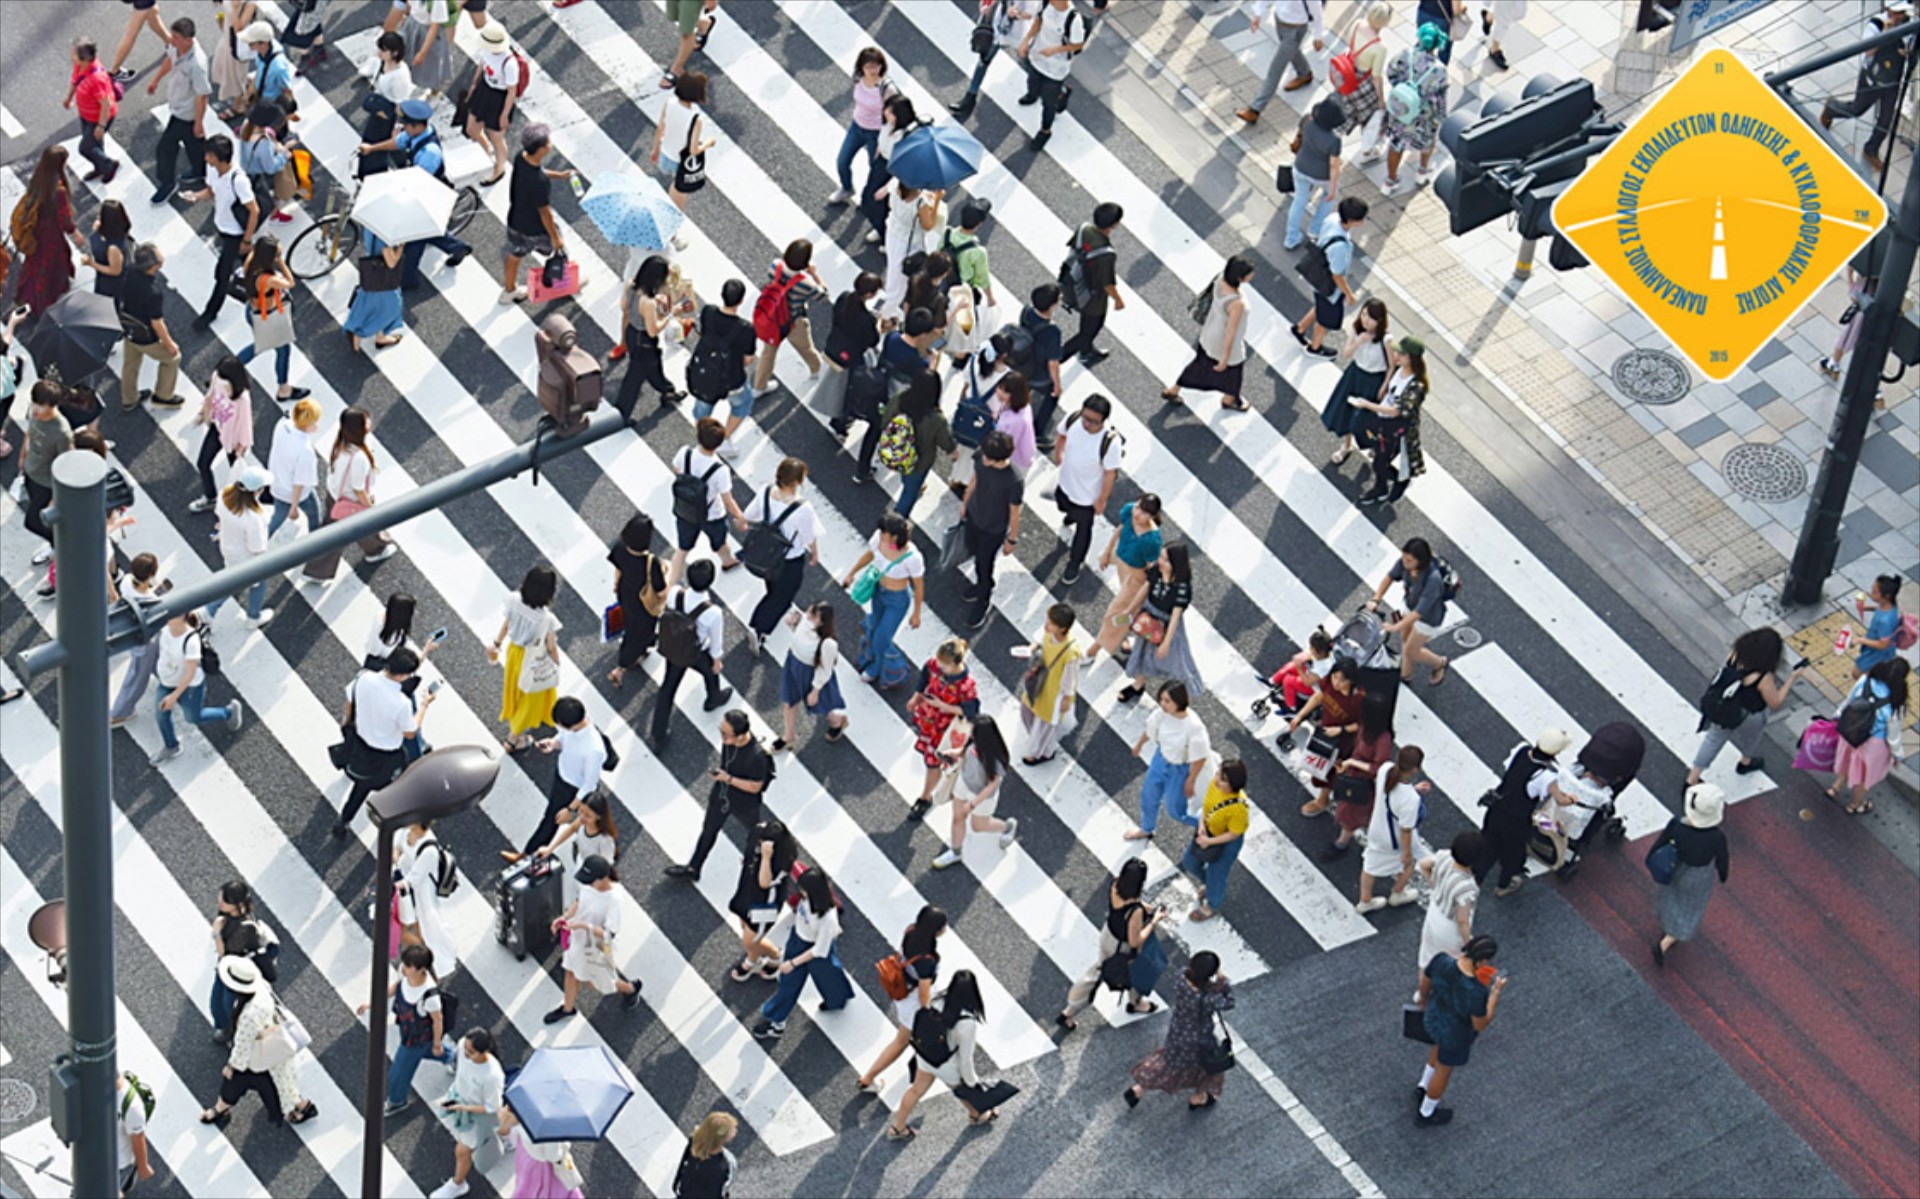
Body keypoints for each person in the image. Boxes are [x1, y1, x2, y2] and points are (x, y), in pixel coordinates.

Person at [885, 970, 1006, 1140]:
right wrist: (974, 1083)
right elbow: (965, 1061)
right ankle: (977, 1114)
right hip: (946, 1064)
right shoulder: (967, 1023)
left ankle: (897, 1127)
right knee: (962, 1089)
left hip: (926, 1055)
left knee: (915, 1091)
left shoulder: (936, 1000)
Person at [198, 955, 317, 1127]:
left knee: (235, 1081)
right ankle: (302, 1106)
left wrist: (231, 1066)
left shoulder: (248, 1015)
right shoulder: (261, 988)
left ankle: (220, 1109)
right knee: (282, 1079)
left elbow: (242, 1046)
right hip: (273, 1043)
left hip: (258, 1051)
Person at [368, 101, 474, 285]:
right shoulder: (414, 135)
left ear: (417, 126)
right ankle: (457, 247)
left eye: (406, 126)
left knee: (413, 237)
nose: (403, 129)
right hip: (419, 189)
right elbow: (397, 143)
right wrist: (372, 148)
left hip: (427, 195)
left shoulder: (429, 153)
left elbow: (418, 182)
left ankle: (407, 280)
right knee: (425, 231)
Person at [1689, 627, 1807, 785]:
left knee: (1713, 740)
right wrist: (1792, 678)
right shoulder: (1763, 677)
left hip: (1724, 706)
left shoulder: (1734, 656)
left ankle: (1692, 779)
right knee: (1752, 737)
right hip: (1749, 715)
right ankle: (1745, 762)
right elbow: (1775, 702)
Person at [334, 649, 432, 835]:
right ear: (403, 675)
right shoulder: (401, 703)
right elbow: (410, 733)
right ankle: (391, 820)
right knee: (395, 785)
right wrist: (424, 705)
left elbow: (349, 701)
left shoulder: (364, 678)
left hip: (359, 743)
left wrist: (347, 722)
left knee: (360, 789)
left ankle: (343, 821)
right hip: (385, 756)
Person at [667, 711, 773, 882]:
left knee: (755, 830)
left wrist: (728, 779)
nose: (722, 737)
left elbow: (755, 787)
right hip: (722, 794)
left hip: (744, 802)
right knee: (709, 829)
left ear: (740, 736)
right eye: (721, 730)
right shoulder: (730, 741)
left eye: (725, 734)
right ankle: (694, 867)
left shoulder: (757, 757)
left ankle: (772, 855)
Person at [1059, 859, 1166, 1027]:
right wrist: (1154, 921)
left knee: (1099, 971)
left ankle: (1069, 1010)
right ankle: (1136, 1003)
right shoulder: (1135, 911)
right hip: (1122, 947)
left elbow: (1131, 902)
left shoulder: (1116, 885)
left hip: (1108, 934)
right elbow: (1135, 941)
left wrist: (1146, 908)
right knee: (1135, 971)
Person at [1414, 934, 1505, 1125]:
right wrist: (1495, 994)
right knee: (1443, 1071)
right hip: (1455, 1035)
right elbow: (1480, 1024)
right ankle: (1426, 1112)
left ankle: (1423, 1085)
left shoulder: (1441, 960)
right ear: (1483, 961)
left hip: (1434, 1017)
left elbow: (1425, 983)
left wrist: (1423, 999)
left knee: (1436, 1047)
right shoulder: (1476, 991)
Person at [352, 943, 454, 1116]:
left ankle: (397, 1100)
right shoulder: (406, 973)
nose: (404, 968)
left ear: (422, 969)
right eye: (404, 964)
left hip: (416, 1039)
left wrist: (437, 1043)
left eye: (408, 966)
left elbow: (438, 1020)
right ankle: (452, 1057)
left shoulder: (430, 996)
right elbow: (397, 986)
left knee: (398, 1073)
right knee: (426, 1050)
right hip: (408, 1029)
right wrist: (373, 1002)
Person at [1124, 951, 1234, 1110]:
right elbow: (1229, 1002)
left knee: (1170, 1061)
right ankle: (1199, 1097)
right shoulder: (1207, 998)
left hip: (1177, 1030)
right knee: (1209, 1067)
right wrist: (1222, 980)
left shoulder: (1181, 977)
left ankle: (1139, 1088)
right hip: (1199, 1039)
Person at [855, 907, 949, 1092]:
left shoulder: (911, 931)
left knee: (905, 1039)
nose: (946, 929)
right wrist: (926, 1014)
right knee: (901, 1041)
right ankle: (868, 1078)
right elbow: (923, 994)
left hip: (904, 990)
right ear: (935, 930)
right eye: (943, 926)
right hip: (913, 1000)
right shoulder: (926, 961)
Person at [753, 869, 853, 1039]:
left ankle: (836, 999)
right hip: (799, 939)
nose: (800, 892)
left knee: (822, 977)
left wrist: (793, 963)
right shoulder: (810, 900)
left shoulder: (826, 917)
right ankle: (777, 1021)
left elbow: (819, 950)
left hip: (812, 947)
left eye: (803, 889)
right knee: (794, 983)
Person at [301, 407, 398, 583]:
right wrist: (369, 507)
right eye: (366, 420)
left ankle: (376, 549)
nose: (370, 422)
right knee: (341, 534)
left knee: (354, 529)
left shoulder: (342, 442)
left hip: (336, 495)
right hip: (352, 500)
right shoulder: (359, 458)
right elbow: (358, 488)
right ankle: (316, 571)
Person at [547, 854, 644, 1022]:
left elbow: (609, 934)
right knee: (571, 970)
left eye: (590, 881)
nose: (587, 884)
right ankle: (567, 1008)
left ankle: (630, 989)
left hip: (597, 946)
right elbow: (578, 902)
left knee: (600, 982)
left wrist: (583, 926)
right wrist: (565, 917)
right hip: (578, 938)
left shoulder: (614, 899)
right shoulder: (588, 885)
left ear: (602, 878)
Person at [1475, 728, 1571, 896]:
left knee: (1488, 844)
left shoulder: (1522, 750)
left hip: (1497, 808)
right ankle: (1504, 885)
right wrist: (1573, 798)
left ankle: (1473, 880)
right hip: (1516, 820)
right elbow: (1561, 800)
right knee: (1513, 852)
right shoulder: (1546, 776)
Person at [1819, 1, 1912, 174]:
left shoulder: (1908, 23)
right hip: (1872, 79)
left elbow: (1908, 46)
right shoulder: (1876, 25)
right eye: (1899, 13)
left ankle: (1871, 149)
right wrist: (1885, 33)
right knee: (1857, 109)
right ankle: (1831, 108)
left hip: (1892, 80)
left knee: (1885, 120)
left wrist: (1906, 51)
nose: (1902, 16)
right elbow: (1868, 51)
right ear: (1890, 10)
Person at [650, 560, 733, 749]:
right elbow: (716, 641)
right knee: (711, 672)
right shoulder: (713, 612)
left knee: (668, 688)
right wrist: (717, 660)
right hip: (696, 652)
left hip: (674, 647)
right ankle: (713, 698)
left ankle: (658, 735)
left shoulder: (675, 593)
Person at [741, 458, 820, 655]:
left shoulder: (766, 491)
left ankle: (763, 622)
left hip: (767, 555)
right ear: (797, 482)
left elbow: (749, 515)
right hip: (789, 559)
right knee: (784, 595)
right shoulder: (803, 508)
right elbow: (809, 537)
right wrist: (815, 552)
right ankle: (758, 627)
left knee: (773, 587)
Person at [516, 695, 606, 859]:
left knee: (554, 820)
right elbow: (564, 737)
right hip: (563, 775)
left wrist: (570, 809)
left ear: (572, 724)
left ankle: (528, 855)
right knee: (555, 819)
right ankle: (530, 855)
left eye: (559, 725)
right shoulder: (577, 723)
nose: (558, 728)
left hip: (574, 789)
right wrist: (553, 743)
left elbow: (589, 785)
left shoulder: (594, 750)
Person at [182, 136, 259, 330]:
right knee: (251, 264)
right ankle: (262, 282)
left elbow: (254, 211)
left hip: (236, 234)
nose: (206, 158)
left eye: (210, 155)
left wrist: (246, 240)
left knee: (222, 274)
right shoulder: (213, 169)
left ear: (220, 157)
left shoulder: (238, 181)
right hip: (223, 226)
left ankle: (210, 312)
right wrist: (195, 196)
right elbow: (211, 191)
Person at [149, 611, 244, 766]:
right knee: (161, 716)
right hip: (167, 682)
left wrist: (174, 697)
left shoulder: (190, 641)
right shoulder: (165, 628)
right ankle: (171, 746)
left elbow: (190, 673)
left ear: (182, 616)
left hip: (190, 686)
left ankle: (228, 712)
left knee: (193, 717)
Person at [1163, 255, 1254, 412]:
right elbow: (1230, 331)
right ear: (1240, 277)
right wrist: (1225, 358)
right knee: (1233, 373)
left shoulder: (1220, 279)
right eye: (1250, 273)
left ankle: (1174, 389)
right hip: (1222, 342)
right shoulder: (1237, 303)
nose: (1253, 275)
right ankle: (1229, 399)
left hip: (1209, 332)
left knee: (1199, 365)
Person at [845, 512, 925, 688]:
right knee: (874, 628)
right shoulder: (879, 539)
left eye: (884, 533)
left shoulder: (913, 558)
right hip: (879, 593)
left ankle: (878, 669)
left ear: (895, 536)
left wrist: (916, 614)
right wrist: (851, 573)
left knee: (882, 638)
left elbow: (918, 586)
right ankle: (873, 659)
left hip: (897, 601)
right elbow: (869, 555)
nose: (880, 535)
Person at [489, 565, 562, 753]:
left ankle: (538, 716)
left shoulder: (513, 600)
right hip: (533, 657)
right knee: (531, 696)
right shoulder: (546, 618)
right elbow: (551, 646)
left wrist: (497, 643)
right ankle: (512, 740)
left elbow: (506, 625)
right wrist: (556, 663)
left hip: (514, 652)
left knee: (516, 689)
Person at [1125, 681, 1211, 842]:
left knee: (1175, 811)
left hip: (1179, 770)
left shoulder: (1194, 727)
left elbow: (1200, 756)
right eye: (1161, 699)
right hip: (1160, 759)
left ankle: (1206, 823)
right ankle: (1146, 829)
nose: (1162, 704)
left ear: (1179, 701)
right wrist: (1139, 745)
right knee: (1148, 796)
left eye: (1167, 701)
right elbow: (1150, 730)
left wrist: (1190, 780)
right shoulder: (1162, 714)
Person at [907, 639, 983, 819]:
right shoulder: (934, 665)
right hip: (930, 720)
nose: (939, 667)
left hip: (945, 729)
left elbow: (971, 711)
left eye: (944, 665)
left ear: (956, 663)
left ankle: (925, 797)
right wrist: (917, 696)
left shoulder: (966, 685)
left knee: (932, 762)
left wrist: (942, 706)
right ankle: (928, 793)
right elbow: (925, 675)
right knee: (932, 760)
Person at [1348, 335, 1429, 505]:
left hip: (1395, 429)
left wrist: (1368, 405)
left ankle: (1395, 482)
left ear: (1411, 358)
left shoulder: (1416, 386)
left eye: (1401, 354)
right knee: (1360, 432)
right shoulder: (1400, 369)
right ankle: (1385, 484)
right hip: (1381, 420)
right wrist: (1384, 387)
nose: (1396, 356)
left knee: (1380, 463)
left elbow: (1396, 411)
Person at [1084, 494, 1162, 668]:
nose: (1137, 513)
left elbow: (1152, 569)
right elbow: (1121, 528)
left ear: (1152, 516)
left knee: (1114, 615)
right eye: (1138, 507)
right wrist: (1107, 552)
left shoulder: (1152, 540)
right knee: (1126, 612)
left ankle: (1092, 651)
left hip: (1136, 576)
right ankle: (1127, 633)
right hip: (1121, 562)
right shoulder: (1129, 510)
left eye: (1144, 512)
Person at [1120, 543, 1205, 702]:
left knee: (1177, 660)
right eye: (1161, 557)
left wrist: (1165, 643)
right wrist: (1130, 610)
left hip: (1166, 625)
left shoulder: (1182, 587)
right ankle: (1138, 685)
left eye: (1165, 560)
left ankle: (1182, 693)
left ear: (1176, 563)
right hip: (1148, 618)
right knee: (1142, 651)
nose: (1160, 561)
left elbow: (1175, 617)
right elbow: (1145, 588)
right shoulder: (1156, 570)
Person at [1053, 396, 1124, 585]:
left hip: (1087, 497)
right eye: (1086, 418)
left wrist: (1102, 500)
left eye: (1094, 422)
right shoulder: (1074, 419)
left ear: (1104, 420)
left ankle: (1074, 564)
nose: (1087, 424)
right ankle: (1071, 516)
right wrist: (1059, 453)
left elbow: (1110, 474)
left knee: (1083, 531)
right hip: (1065, 483)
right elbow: (1062, 435)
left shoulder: (1110, 442)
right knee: (1062, 504)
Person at [1827, 658, 1911, 815]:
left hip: (1851, 730)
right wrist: (1898, 755)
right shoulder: (1896, 701)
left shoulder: (1865, 680)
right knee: (1864, 777)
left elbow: (1849, 701)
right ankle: (1855, 805)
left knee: (1848, 759)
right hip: (1873, 743)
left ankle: (1835, 787)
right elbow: (1893, 735)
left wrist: (1837, 716)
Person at [870, 366, 954, 522]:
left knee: (906, 479)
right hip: (919, 462)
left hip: (897, 451)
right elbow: (947, 444)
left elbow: (885, 420)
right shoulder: (936, 419)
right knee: (909, 493)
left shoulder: (900, 399)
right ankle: (896, 521)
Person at [501, 124, 574, 304]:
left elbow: (538, 172)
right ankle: (561, 282)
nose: (551, 144)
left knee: (515, 254)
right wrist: (555, 238)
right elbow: (545, 212)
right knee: (559, 251)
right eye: (548, 142)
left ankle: (509, 290)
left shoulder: (521, 157)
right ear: (541, 149)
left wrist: (559, 175)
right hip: (535, 229)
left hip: (515, 221)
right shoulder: (540, 183)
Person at [932, 714, 1017, 867]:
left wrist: (972, 804)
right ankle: (956, 852)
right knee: (957, 818)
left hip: (982, 796)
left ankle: (1007, 827)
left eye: (973, 732)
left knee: (978, 826)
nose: (970, 734)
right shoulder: (974, 742)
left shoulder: (995, 757)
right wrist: (952, 753)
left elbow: (992, 785)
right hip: (964, 783)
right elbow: (965, 751)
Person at [429, 1028, 505, 1199]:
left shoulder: (492, 1076)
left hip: (474, 1115)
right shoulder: (463, 1043)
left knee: (462, 1151)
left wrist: (463, 1108)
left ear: (484, 1052)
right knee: (468, 1140)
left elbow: (492, 1107)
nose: (465, 1053)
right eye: (465, 1049)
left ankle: (458, 1184)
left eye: (471, 1052)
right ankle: (507, 1134)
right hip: (458, 1101)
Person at [9, 147, 86, 315]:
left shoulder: (40, 176)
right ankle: (41, 301)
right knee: (50, 265)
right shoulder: (58, 191)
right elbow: (64, 219)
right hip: (50, 234)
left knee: (35, 263)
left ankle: (27, 295)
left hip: (36, 229)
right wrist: (76, 233)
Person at [1284, 656, 1365, 813]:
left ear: (1351, 681)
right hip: (1324, 733)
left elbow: (1361, 724)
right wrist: (1300, 716)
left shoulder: (1358, 699)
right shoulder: (1328, 682)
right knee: (1320, 765)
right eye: (1335, 677)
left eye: (1342, 680)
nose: (1336, 683)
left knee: (1330, 771)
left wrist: (1341, 730)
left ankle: (1323, 800)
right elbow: (1319, 696)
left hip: (1343, 742)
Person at [1368, 536, 1451, 686]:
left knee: (1410, 650)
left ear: (1420, 561)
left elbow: (1419, 612)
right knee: (1405, 641)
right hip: (1410, 605)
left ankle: (1440, 663)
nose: (1404, 562)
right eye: (1404, 558)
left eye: (1409, 560)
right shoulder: (1405, 563)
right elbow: (1389, 577)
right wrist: (1376, 598)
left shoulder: (1433, 579)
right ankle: (1406, 675)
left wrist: (1395, 627)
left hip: (1428, 618)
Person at [687, 280, 760, 450]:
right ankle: (724, 437)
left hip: (705, 372)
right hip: (732, 379)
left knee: (702, 407)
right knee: (742, 405)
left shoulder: (708, 312)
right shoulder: (746, 329)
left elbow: (701, 332)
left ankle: (704, 437)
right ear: (741, 301)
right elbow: (748, 359)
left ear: (722, 295)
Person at [235, 236, 309, 402]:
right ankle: (283, 389)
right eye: (277, 254)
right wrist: (281, 262)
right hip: (268, 318)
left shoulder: (251, 262)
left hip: (252, 311)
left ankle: (227, 371)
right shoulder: (268, 280)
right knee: (281, 350)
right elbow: (290, 283)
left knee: (261, 344)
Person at [671, 419, 746, 580]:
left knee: (682, 549)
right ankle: (728, 561)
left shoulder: (685, 453)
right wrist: (740, 516)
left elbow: (676, 469)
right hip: (712, 514)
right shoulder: (720, 470)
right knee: (720, 541)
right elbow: (728, 501)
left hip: (686, 510)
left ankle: (671, 584)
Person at [1292, 197, 1367, 357]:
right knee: (1325, 319)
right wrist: (1349, 294)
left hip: (1318, 275)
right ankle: (1314, 348)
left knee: (1321, 306)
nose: (1363, 221)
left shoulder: (1332, 219)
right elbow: (1337, 275)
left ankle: (1300, 328)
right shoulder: (1340, 247)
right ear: (1352, 220)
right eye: (1361, 218)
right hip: (1328, 285)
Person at [1321, 690, 1392, 858]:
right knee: (1349, 811)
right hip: (1353, 775)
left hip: (1363, 783)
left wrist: (1352, 763)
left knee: (1351, 814)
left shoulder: (1383, 738)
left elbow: (1379, 768)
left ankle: (1341, 844)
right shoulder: (1367, 728)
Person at [1357, 745, 1428, 912]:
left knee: (1370, 865)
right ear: (1415, 769)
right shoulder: (1411, 799)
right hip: (1393, 838)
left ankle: (1365, 901)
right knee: (1409, 864)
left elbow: (1390, 792)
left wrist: (1413, 789)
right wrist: (1407, 853)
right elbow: (1406, 830)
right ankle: (1397, 893)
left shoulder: (1385, 769)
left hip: (1377, 828)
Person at [752, 240, 827, 397]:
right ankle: (817, 370)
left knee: (768, 353)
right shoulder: (806, 284)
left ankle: (759, 386)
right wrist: (814, 274)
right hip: (794, 321)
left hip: (773, 319)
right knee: (806, 349)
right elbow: (823, 296)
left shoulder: (775, 266)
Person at [116, 243, 184, 412]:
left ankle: (129, 398)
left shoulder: (129, 271)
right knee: (172, 359)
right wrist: (169, 344)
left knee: (130, 363)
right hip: (145, 336)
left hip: (128, 326)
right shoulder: (152, 293)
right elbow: (157, 323)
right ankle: (163, 396)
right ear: (153, 266)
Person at [1383, 23, 1451, 193]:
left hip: (1402, 110)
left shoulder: (1405, 55)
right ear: (1437, 44)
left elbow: (1390, 72)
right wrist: (1439, 118)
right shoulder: (1439, 70)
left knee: (1396, 144)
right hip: (1423, 115)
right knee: (1428, 141)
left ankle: (1390, 181)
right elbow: (1440, 99)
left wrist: (1401, 88)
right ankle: (1422, 172)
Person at [1016, 0, 1093, 149]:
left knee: (1048, 102)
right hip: (1038, 55)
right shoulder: (1045, 4)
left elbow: (1078, 44)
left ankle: (1045, 131)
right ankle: (1044, 94)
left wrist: (1055, 50)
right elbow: (1039, 21)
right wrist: (1026, 40)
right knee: (1032, 82)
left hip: (1056, 66)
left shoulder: (1073, 19)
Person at [726, 820, 797, 981]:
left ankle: (772, 957)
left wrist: (766, 858)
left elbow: (765, 883)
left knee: (751, 940)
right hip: (747, 891)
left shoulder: (783, 859)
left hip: (763, 904)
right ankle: (755, 958)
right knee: (745, 926)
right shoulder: (758, 830)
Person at [206, 467, 277, 628]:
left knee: (232, 581)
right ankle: (252, 617)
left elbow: (219, 515)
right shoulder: (254, 518)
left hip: (228, 548)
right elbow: (257, 547)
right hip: (247, 558)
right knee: (257, 583)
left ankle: (209, 611)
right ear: (256, 491)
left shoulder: (224, 495)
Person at [1322, 299, 1390, 465]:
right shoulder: (1356, 328)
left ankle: (1376, 446)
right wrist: (1359, 341)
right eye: (1364, 314)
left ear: (1380, 320)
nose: (1365, 320)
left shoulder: (1386, 339)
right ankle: (1346, 445)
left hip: (1374, 380)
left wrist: (1384, 386)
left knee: (1368, 418)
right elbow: (1346, 354)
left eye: (1371, 317)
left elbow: (1392, 365)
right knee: (1346, 412)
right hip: (1355, 375)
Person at [615, 256, 685, 415]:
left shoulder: (630, 285)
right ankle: (621, 414)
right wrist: (671, 314)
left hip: (632, 333)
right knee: (633, 381)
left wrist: (623, 338)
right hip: (644, 342)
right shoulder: (648, 303)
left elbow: (624, 308)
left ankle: (668, 391)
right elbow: (653, 330)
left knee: (654, 368)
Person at [1182, 758, 1251, 921]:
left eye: (1223, 779)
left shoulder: (1240, 807)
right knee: (1190, 863)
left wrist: (1209, 842)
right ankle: (1211, 886)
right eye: (1218, 774)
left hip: (1227, 842)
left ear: (1233, 785)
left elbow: (1233, 834)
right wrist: (1201, 825)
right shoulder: (1215, 784)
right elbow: (1206, 807)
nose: (1217, 779)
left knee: (1217, 874)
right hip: (1209, 830)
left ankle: (1212, 905)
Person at [1415, 830, 1481, 999]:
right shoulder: (1467, 886)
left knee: (1427, 957)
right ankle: (1441, 997)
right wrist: (1469, 943)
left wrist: (1435, 885)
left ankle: (1422, 994)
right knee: (1450, 964)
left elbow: (1424, 865)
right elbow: (1462, 921)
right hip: (1450, 930)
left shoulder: (1444, 856)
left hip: (1434, 914)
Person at [1237, 0, 1327, 122]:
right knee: (1291, 51)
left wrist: (1318, 36)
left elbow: (1317, 11)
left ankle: (1255, 109)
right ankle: (1304, 73)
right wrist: (1258, 14)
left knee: (1276, 69)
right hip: (1280, 21)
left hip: (1296, 29)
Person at [1059, 203, 1125, 366]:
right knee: (1090, 330)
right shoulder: (1106, 254)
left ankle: (1086, 351)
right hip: (1093, 297)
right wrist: (1118, 300)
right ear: (1114, 225)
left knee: (1086, 323)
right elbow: (1107, 284)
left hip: (1072, 281)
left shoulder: (1084, 229)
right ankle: (1057, 360)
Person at [607, 514, 669, 686]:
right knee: (637, 634)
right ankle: (621, 667)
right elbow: (662, 592)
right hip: (643, 605)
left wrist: (616, 584)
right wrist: (668, 574)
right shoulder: (651, 562)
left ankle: (643, 647)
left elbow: (618, 569)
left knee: (630, 622)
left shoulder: (620, 547)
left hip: (625, 593)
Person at [652, 73, 714, 242]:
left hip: (665, 154)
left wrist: (655, 149)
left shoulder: (669, 103)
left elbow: (660, 128)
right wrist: (708, 143)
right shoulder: (695, 119)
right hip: (681, 165)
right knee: (676, 205)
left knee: (672, 190)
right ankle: (671, 237)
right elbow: (693, 150)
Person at [828, 48, 894, 206]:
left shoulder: (886, 89)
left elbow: (894, 116)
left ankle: (871, 200)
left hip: (876, 133)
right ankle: (847, 188)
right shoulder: (858, 79)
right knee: (842, 161)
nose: (873, 70)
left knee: (875, 169)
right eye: (868, 66)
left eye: (876, 66)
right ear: (861, 67)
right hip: (857, 127)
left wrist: (884, 140)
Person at [395, 818, 459, 979]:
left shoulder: (429, 851)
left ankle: (428, 965)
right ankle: (421, 962)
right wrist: (396, 860)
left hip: (422, 893)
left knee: (426, 929)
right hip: (406, 885)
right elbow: (397, 846)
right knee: (411, 928)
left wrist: (389, 888)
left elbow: (413, 879)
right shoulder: (407, 830)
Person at [108, 555, 167, 728]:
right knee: (137, 677)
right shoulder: (152, 600)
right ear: (151, 574)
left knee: (156, 660)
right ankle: (120, 712)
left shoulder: (126, 581)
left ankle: (168, 678)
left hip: (132, 632)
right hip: (146, 639)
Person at [950, 0, 1035, 120]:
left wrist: (1018, 14)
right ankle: (970, 97)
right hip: (998, 26)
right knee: (984, 60)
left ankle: (1054, 93)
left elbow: (1033, 14)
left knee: (1030, 65)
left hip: (1019, 32)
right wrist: (986, 5)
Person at [1018, 604, 1081, 765]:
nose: (1047, 624)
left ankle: (1043, 752)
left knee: (1044, 725)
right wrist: (1031, 649)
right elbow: (1039, 641)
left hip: (1054, 692)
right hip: (1040, 682)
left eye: (1051, 623)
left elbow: (1070, 679)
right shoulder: (1048, 633)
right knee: (1027, 710)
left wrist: (1066, 698)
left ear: (1062, 628)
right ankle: (1037, 741)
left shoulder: (1071, 652)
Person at [819, 271, 884, 420]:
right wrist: (878, 323)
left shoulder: (844, 298)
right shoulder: (866, 319)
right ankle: (842, 418)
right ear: (869, 294)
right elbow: (872, 341)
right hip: (850, 358)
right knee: (849, 390)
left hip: (833, 344)